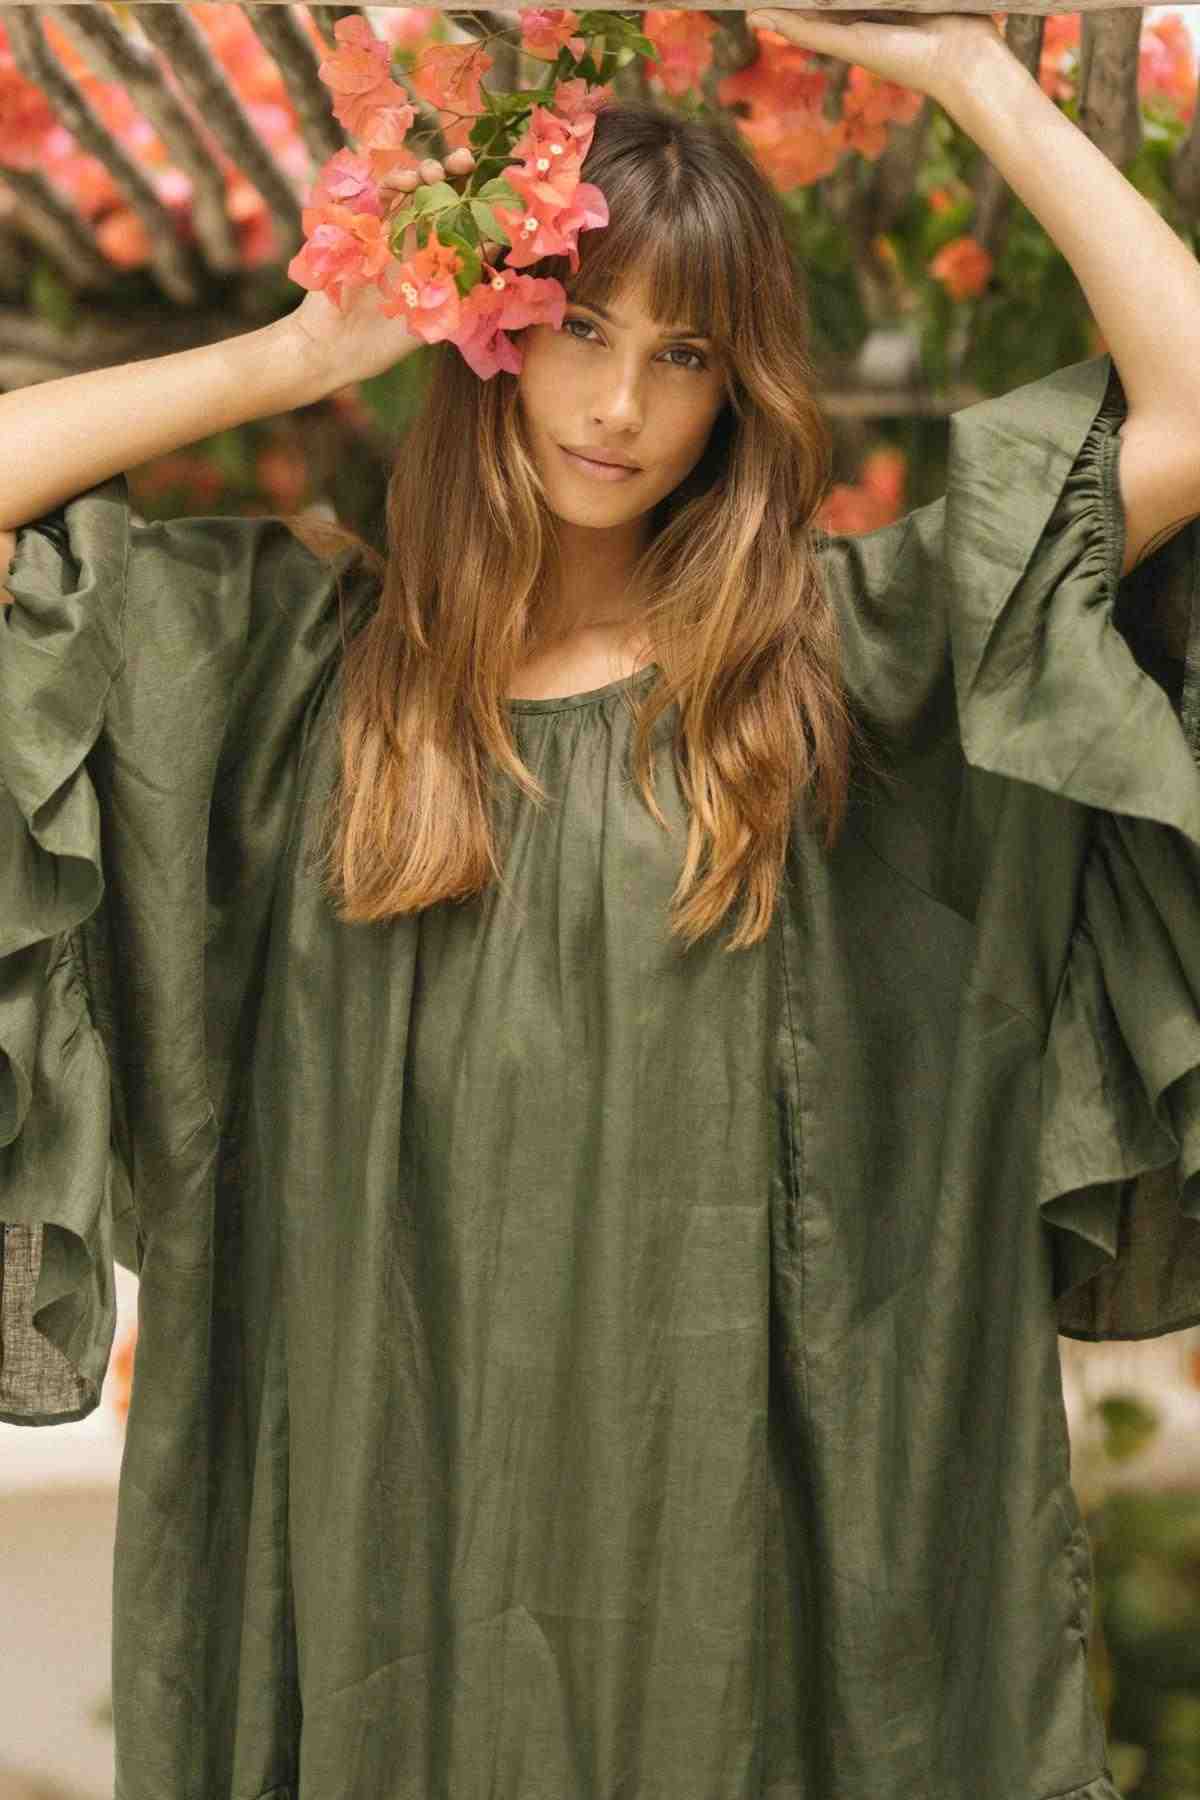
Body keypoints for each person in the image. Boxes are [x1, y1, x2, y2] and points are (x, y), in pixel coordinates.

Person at [1, 70, 1199, 1800]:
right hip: (382, 1564)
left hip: (750, 1590)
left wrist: (974, 73)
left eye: (691, 355)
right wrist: (291, 356)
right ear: (493, 339)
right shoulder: (283, 684)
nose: (624, 402)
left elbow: (1180, 411)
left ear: (742, 390)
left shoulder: (843, 670)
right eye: (577, 327)